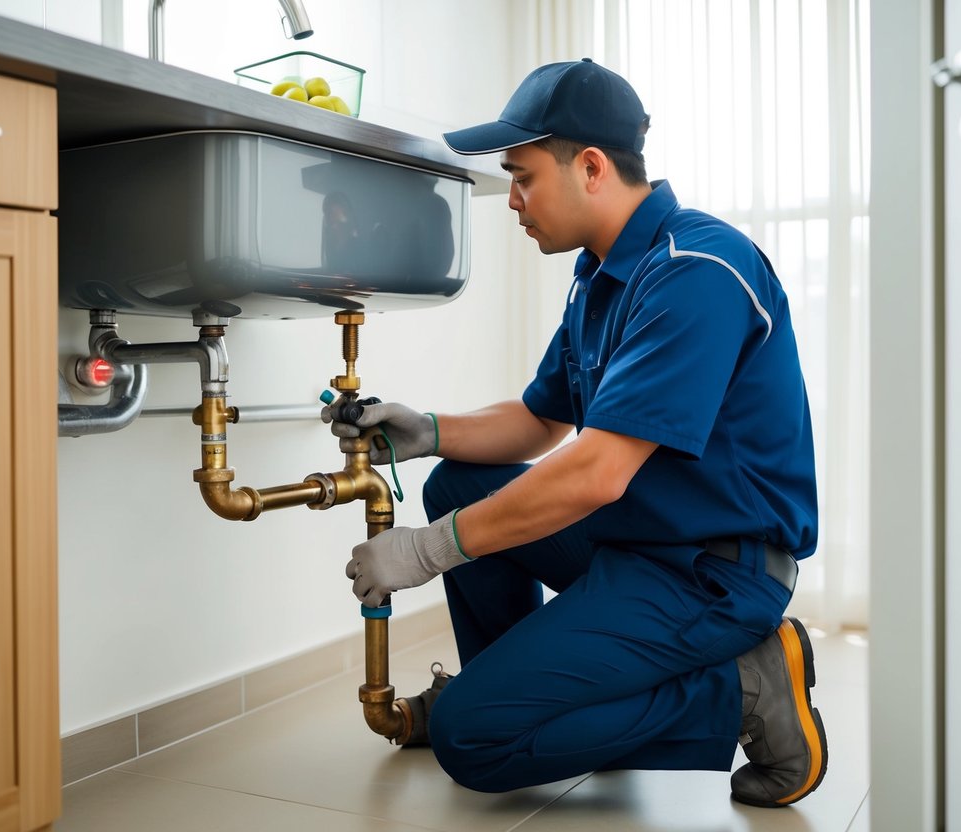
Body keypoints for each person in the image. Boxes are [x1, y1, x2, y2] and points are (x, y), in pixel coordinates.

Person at [321, 58, 827, 808]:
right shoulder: (599, 276)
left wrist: (428, 550)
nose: (512, 200)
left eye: (521, 177)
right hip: (637, 541)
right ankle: (534, 695)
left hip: (714, 570)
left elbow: (594, 473)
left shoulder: (695, 270)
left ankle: (744, 687)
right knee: (457, 479)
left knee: (472, 741)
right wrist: (425, 430)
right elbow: (538, 423)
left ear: (589, 166)